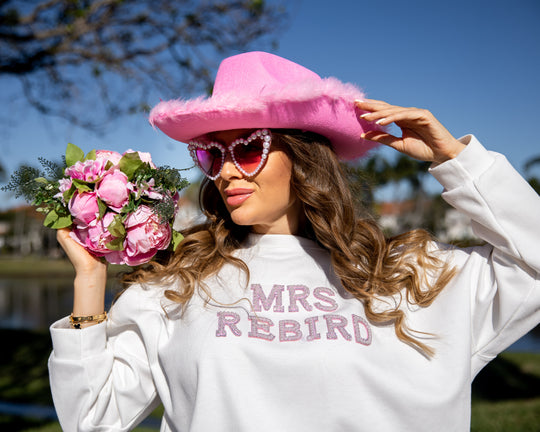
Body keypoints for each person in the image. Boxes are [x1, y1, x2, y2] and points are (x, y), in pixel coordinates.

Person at [49, 51, 540, 432]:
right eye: (211, 154)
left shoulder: (413, 275)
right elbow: (92, 418)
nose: (225, 171)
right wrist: (90, 281)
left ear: (304, 156)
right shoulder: (177, 286)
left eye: (247, 147)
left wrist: (455, 158)